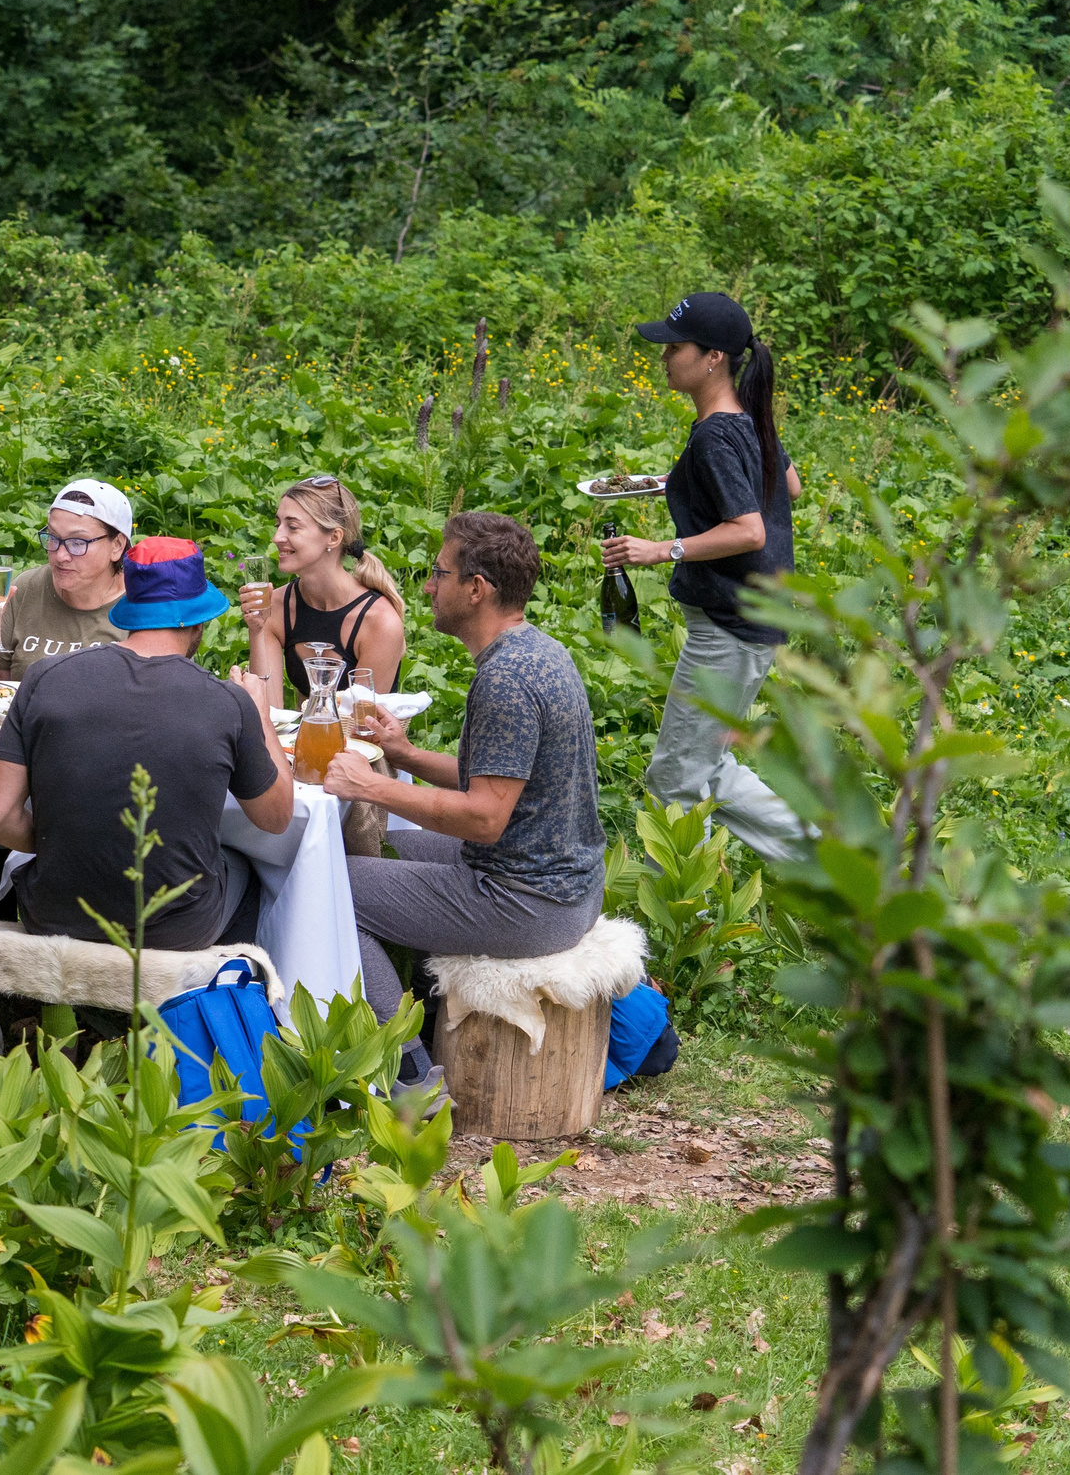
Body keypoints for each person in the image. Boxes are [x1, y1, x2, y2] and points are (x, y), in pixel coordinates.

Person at [325, 513, 606, 1088]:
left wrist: (370, 785)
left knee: (331, 888)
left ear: (476, 588)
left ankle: (406, 1073)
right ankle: (414, 1012)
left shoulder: (505, 681)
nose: (428, 586)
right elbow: (499, 783)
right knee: (386, 842)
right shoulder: (538, 651)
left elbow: (483, 816)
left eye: (439, 573)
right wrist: (403, 757)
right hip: (560, 882)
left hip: (528, 902)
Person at [0, 538, 293, 949]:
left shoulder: (44, 677)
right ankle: (210, 1005)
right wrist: (261, 715)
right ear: (197, 620)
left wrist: (66, 846)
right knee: (248, 872)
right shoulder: (227, 701)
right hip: (175, 929)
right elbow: (276, 817)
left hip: (53, 912)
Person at [600, 293, 810, 863]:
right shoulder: (746, 418)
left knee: (675, 782)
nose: (664, 357)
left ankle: (663, 905)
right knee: (707, 767)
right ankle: (831, 866)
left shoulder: (715, 435)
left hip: (728, 631)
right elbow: (787, 487)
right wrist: (683, 484)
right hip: (750, 626)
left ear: (713, 357)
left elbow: (748, 531)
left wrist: (660, 549)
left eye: (675, 347)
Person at [239, 476, 408, 714]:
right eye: (278, 524)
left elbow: (363, 730)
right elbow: (267, 714)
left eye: (293, 526)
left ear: (334, 537)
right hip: (300, 742)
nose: (277, 537)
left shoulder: (379, 622)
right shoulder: (277, 605)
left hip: (362, 747)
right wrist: (257, 629)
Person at [0, 479, 132, 683]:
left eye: (77, 542)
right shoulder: (26, 588)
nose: (60, 555)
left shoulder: (143, 604)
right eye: (53, 537)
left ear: (117, 546)